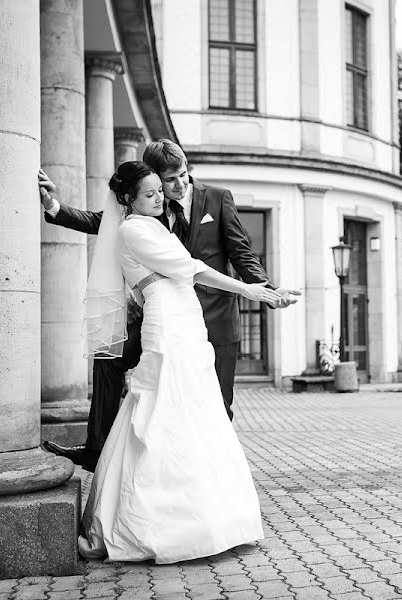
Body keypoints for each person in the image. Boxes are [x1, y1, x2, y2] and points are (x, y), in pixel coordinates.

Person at [39, 140, 299, 471]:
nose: (180, 185)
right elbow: (98, 221)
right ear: (153, 181)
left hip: (215, 319)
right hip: (163, 316)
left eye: (183, 175)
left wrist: (268, 290)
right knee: (109, 358)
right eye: (170, 180)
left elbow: (241, 252)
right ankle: (97, 448)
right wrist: (54, 207)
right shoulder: (147, 207)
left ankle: (214, 472)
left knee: (215, 403)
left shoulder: (218, 199)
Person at [79, 161, 274, 562]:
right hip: (167, 322)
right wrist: (251, 291)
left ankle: (213, 516)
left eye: (158, 191)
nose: (160, 197)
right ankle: (149, 524)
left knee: (197, 410)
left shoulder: (152, 224)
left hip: (186, 320)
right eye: (149, 193)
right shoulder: (133, 229)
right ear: (127, 199)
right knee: (161, 411)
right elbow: (193, 269)